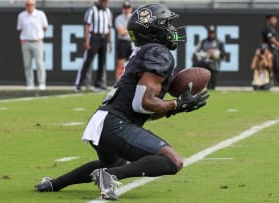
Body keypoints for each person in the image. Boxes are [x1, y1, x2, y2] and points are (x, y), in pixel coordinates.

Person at [35, 3, 209, 201]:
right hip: (116, 124)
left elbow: (146, 110)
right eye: (166, 24)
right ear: (153, 29)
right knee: (172, 161)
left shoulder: (146, 52)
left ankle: (54, 183)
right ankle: (110, 176)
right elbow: (143, 103)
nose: (171, 29)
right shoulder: (159, 53)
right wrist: (177, 104)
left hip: (103, 121)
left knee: (113, 163)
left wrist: (176, 107)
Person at [74, 0, 113, 92]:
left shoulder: (108, 11)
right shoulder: (92, 10)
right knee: (87, 61)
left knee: (102, 62)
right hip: (94, 37)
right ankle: (79, 83)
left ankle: (98, 84)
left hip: (103, 37)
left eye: (106, 1)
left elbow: (109, 27)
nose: (104, 3)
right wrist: (86, 40)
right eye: (103, 1)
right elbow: (87, 25)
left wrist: (110, 42)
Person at [17, 0, 48, 90]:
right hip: (26, 42)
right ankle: (30, 83)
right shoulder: (21, 16)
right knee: (27, 64)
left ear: (34, 5)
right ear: (25, 6)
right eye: (27, 5)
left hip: (37, 42)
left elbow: (45, 27)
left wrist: (38, 36)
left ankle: (41, 83)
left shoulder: (40, 14)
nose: (29, 6)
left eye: (31, 5)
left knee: (40, 63)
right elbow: (20, 28)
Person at [192, 25, 225, 90]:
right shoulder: (203, 41)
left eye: (212, 32)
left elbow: (223, 55)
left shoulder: (219, 42)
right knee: (201, 82)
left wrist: (215, 53)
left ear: (214, 33)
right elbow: (195, 53)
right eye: (210, 33)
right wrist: (205, 53)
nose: (211, 34)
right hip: (205, 64)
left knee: (212, 86)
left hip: (215, 65)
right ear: (208, 33)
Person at [114, 1, 133, 80]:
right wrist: (131, 28)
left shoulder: (133, 17)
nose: (126, 10)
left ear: (131, 9)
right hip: (123, 43)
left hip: (132, 43)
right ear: (123, 9)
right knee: (121, 65)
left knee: (132, 64)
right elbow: (121, 32)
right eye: (125, 8)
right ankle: (117, 83)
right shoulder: (119, 18)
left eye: (128, 8)